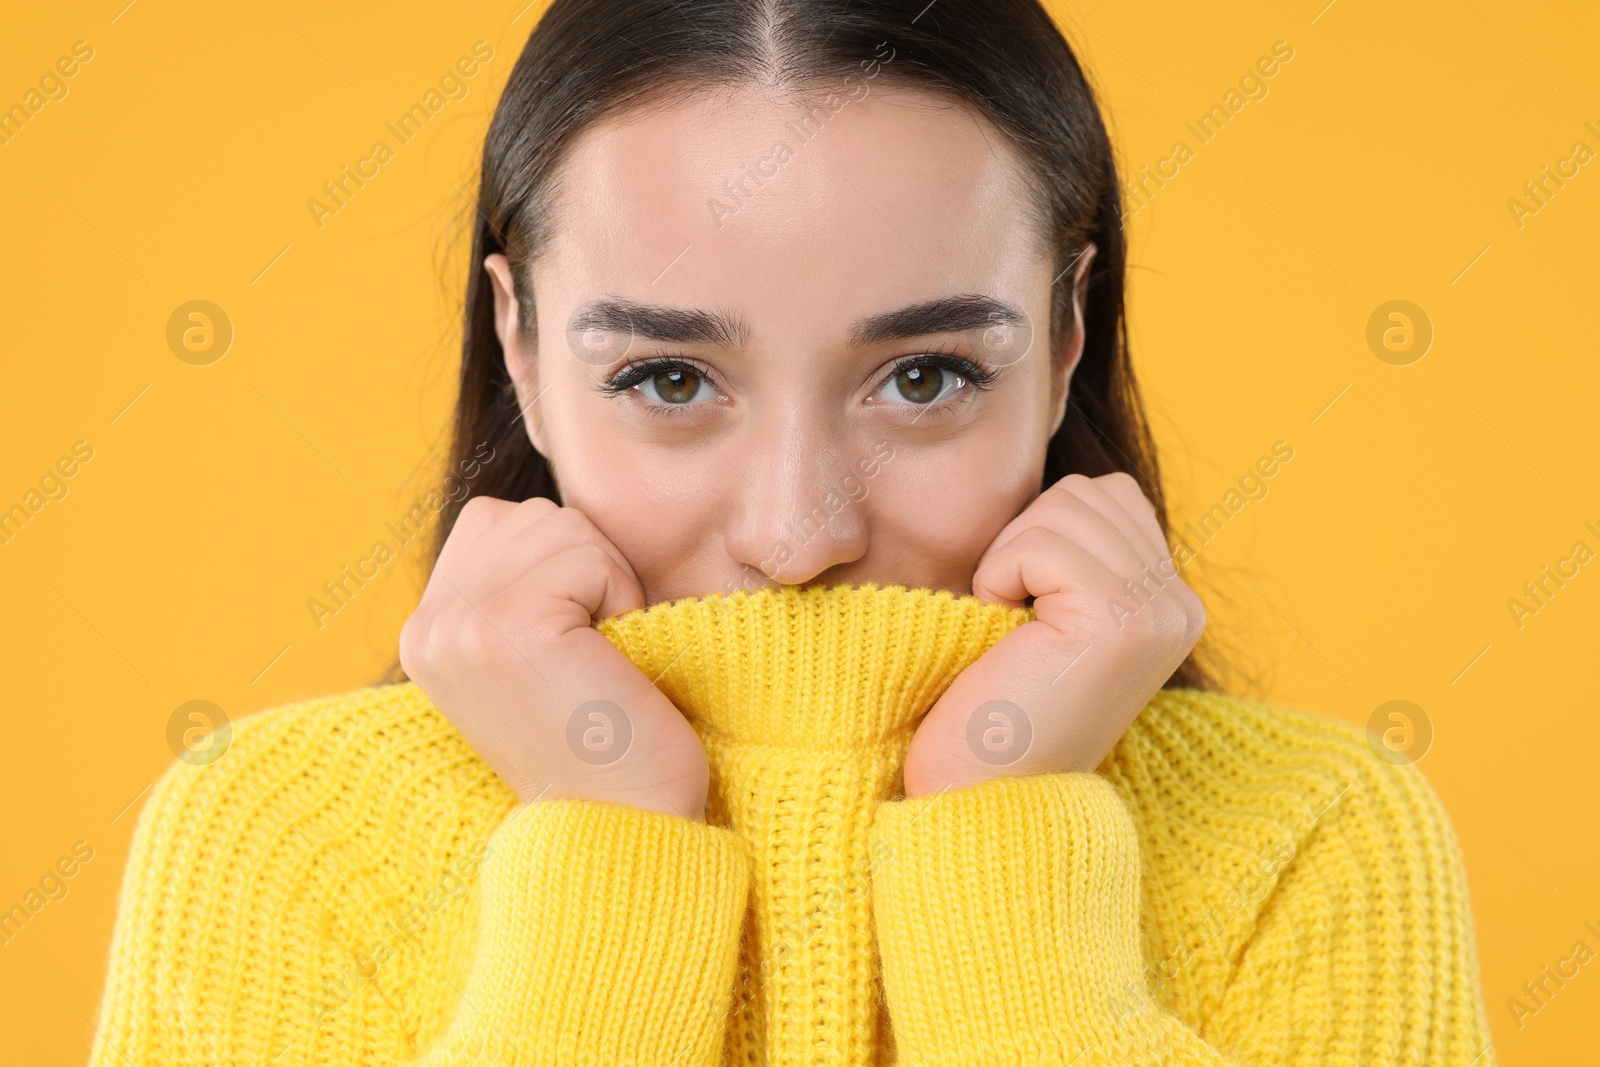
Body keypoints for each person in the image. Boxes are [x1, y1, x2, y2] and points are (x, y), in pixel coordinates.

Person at [90, 1, 1499, 1063]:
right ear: (520, 345)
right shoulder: (273, 838)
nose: (797, 531)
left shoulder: (1315, 834)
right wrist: (608, 836)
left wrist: (1001, 836)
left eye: (926, 377)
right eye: (669, 379)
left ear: (1067, 337)